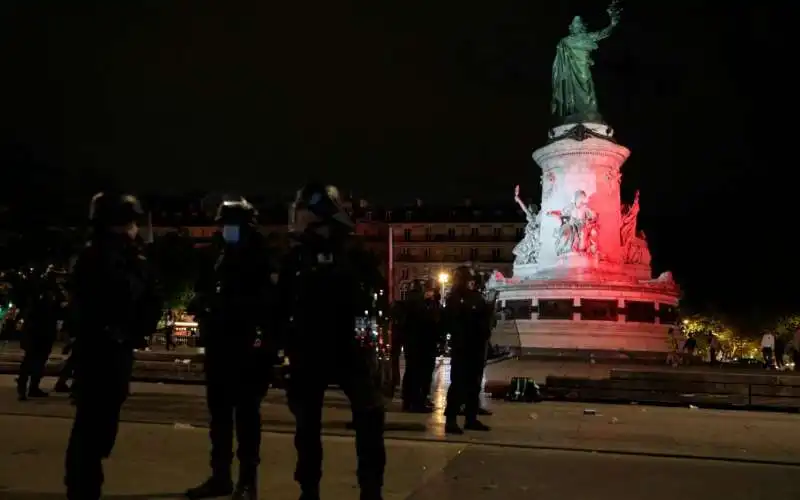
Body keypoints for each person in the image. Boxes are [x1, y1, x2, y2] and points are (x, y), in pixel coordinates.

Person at [279, 183, 386, 500]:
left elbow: (373, 295)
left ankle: (369, 488)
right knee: (308, 427)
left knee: (366, 421)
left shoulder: (349, 253)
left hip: (345, 346)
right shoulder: (299, 257)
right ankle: (311, 488)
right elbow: (282, 302)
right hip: (310, 346)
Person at [64, 192, 162, 500]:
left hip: (114, 349)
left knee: (100, 425)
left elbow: (147, 300)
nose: (135, 229)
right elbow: (104, 301)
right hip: (100, 349)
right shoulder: (98, 258)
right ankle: (83, 489)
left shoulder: (124, 257)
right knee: (93, 428)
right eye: (130, 222)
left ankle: (85, 484)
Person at [185, 196, 279, 500]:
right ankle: (221, 476)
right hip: (220, 343)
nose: (226, 229)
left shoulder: (259, 256)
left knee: (246, 416)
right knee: (221, 415)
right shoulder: (218, 255)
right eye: (223, 225)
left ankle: (247, 481)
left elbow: (266, 302)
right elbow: (204, 287)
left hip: (246, 344)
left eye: (231, 224)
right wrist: (201, 302)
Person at [443, 265, 493, 434]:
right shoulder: (455, 299)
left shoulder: (477, 297)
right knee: (458, 385)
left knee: (474, 385)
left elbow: (484, 320)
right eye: (469, 281)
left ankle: (471, 419)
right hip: (463, 348)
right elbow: (453, 323)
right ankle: (451, 420)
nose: (472, 284)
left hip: (477, 347)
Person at [17, 267, 67, 400]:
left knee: (37, 359)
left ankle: (31, 386)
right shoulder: (43, 291)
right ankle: (25, 386)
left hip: (42, 329)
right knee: (32, 359)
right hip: (38, 329)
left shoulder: (51, 291)